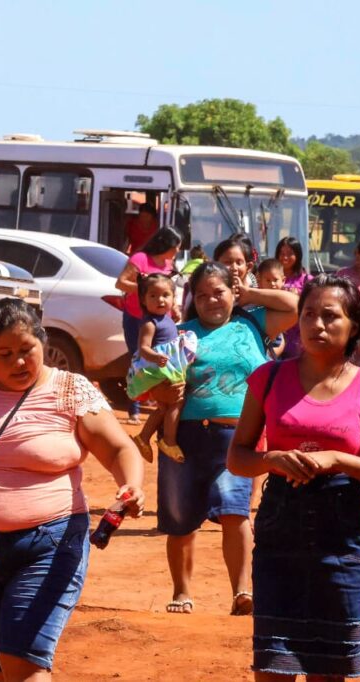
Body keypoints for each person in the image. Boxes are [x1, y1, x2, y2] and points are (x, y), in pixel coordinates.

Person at [0, 298, 145, 680]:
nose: (19, 362)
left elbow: (120, 448)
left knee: (21, 656)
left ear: (42, 342)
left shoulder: (70, 390)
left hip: (50, 541)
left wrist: (130, 485)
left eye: (27, 350)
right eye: (5, 354)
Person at [228, 275, 360, 680]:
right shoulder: (268, 377)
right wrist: (271, 457)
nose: (317, 325)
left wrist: (337, 460)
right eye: (308, 314)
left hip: (341, 536)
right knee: (273, 666)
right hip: (279, 533)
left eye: (330, 316)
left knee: (330, 669)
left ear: (354, 326)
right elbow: (238, 458)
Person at [160, 261, 297, 616]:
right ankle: (181, 592)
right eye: (202, 295)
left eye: (218, 292)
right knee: (181, 517)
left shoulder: (253, 323)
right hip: (186, 437)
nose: (210, 301)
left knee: (235, 510)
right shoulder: (181, 333)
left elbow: (295, 306)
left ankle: (241, 591)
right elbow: (161, 385)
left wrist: (250, 295)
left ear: (232, 293)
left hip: (239, 436)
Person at [126, 273, 198, 463]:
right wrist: (156, 357)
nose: (160, 300)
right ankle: (169, 441)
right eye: (153, 296)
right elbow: (142, 348)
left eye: (166, 295)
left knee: (164, 407)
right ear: (143, 299)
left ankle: (143, 437)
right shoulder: (150, 323)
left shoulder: (166, 319)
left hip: (166, 365)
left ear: (174, 297)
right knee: (176, 401)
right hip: (160, 368)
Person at [115, 227, 182, 425]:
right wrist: (147, 289)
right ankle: (134, 408)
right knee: (138, 360)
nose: (177, 251)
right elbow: (120, 283)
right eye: (176, 247)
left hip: (163, 319)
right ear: (166, 244)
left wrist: (174, 307)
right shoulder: (140, 259)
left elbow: (170, 289)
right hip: (137, 317)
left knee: (165, 362)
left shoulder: (169, 263)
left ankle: (160, 402)